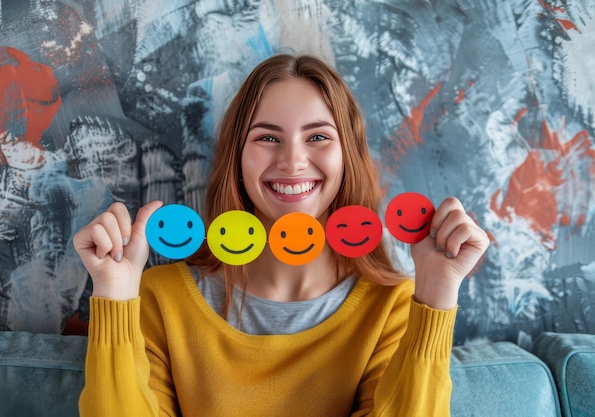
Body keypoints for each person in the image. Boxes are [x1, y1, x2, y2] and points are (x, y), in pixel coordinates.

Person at [73, 53, 490, 416]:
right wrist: (114, 293)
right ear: (237, 159)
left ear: (348, 158)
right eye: (268, 137)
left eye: (318, 137)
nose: (292, 160)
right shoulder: (161, 298)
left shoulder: (392, 306)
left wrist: (436, 292)